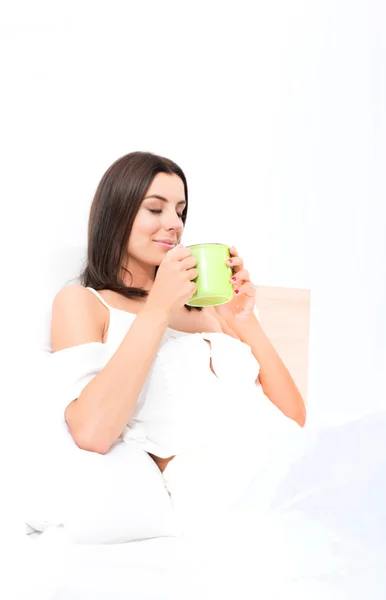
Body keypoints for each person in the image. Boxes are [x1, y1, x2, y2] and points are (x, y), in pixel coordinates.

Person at [51, 151, 306, 479]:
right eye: (155, 208)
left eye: (180, 211)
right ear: (116, 213)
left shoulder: (211, 309)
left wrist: (246, 321)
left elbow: (294, 418)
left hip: (285, 457)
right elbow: (91, 432)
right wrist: (158, 307)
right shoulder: (83, 303)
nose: (175, 224)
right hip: (221, 481)